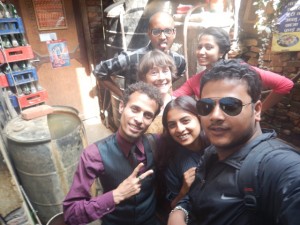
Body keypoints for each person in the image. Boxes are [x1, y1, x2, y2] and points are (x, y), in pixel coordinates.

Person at [168, 59, 300, 225]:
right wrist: (180, 211)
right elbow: (195, 197)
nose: (215, 116)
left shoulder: (280, 168)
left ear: (257, 110)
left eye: (230, 106)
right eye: (206, 106)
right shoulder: (212, 153)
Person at [63, 82, 164, 225]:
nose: (139, 120)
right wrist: (116, 195)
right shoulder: (94, 154)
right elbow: (71, 213)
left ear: (152, 120)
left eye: (147, 115)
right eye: (135, 109)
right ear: (122, 106)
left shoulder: (156, 143)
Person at [173, 27, 294, 111]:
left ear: (221, 52)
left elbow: (285, 84)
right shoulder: (196, 80)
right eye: (199, 47)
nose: (201, 52)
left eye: (208, 47)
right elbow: (173, 97)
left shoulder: (241, 71)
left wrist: (260, 111)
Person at [94, 11, 186, 98]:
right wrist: (123, 96)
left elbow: (180, 72)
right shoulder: (133, 58)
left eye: (168, 31)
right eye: (156, 32)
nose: (162, 37)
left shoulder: (179, 60)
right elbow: (100, 71)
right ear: (149, 33)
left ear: (174, 33)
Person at [137, 49, 176, 133]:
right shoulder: (138, 108)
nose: (161, 78)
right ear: (144, 78)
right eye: (154, 73)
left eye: (165, 71)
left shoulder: (178, 104)